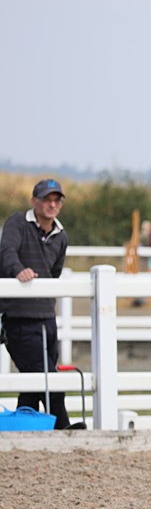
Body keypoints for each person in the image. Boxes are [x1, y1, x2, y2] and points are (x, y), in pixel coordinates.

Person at [0, 179, 72, 428]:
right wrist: (18, 270)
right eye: (46, 200)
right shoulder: (18, 223)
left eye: (56, 200)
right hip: (19, 318)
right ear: (34, 202)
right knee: (49, 380)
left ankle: (22, 432)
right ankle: (64, 430)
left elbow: (55, 272)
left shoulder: (61, 236)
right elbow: (6, 252)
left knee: (32, 385)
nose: (52, 205)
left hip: (46, 318)